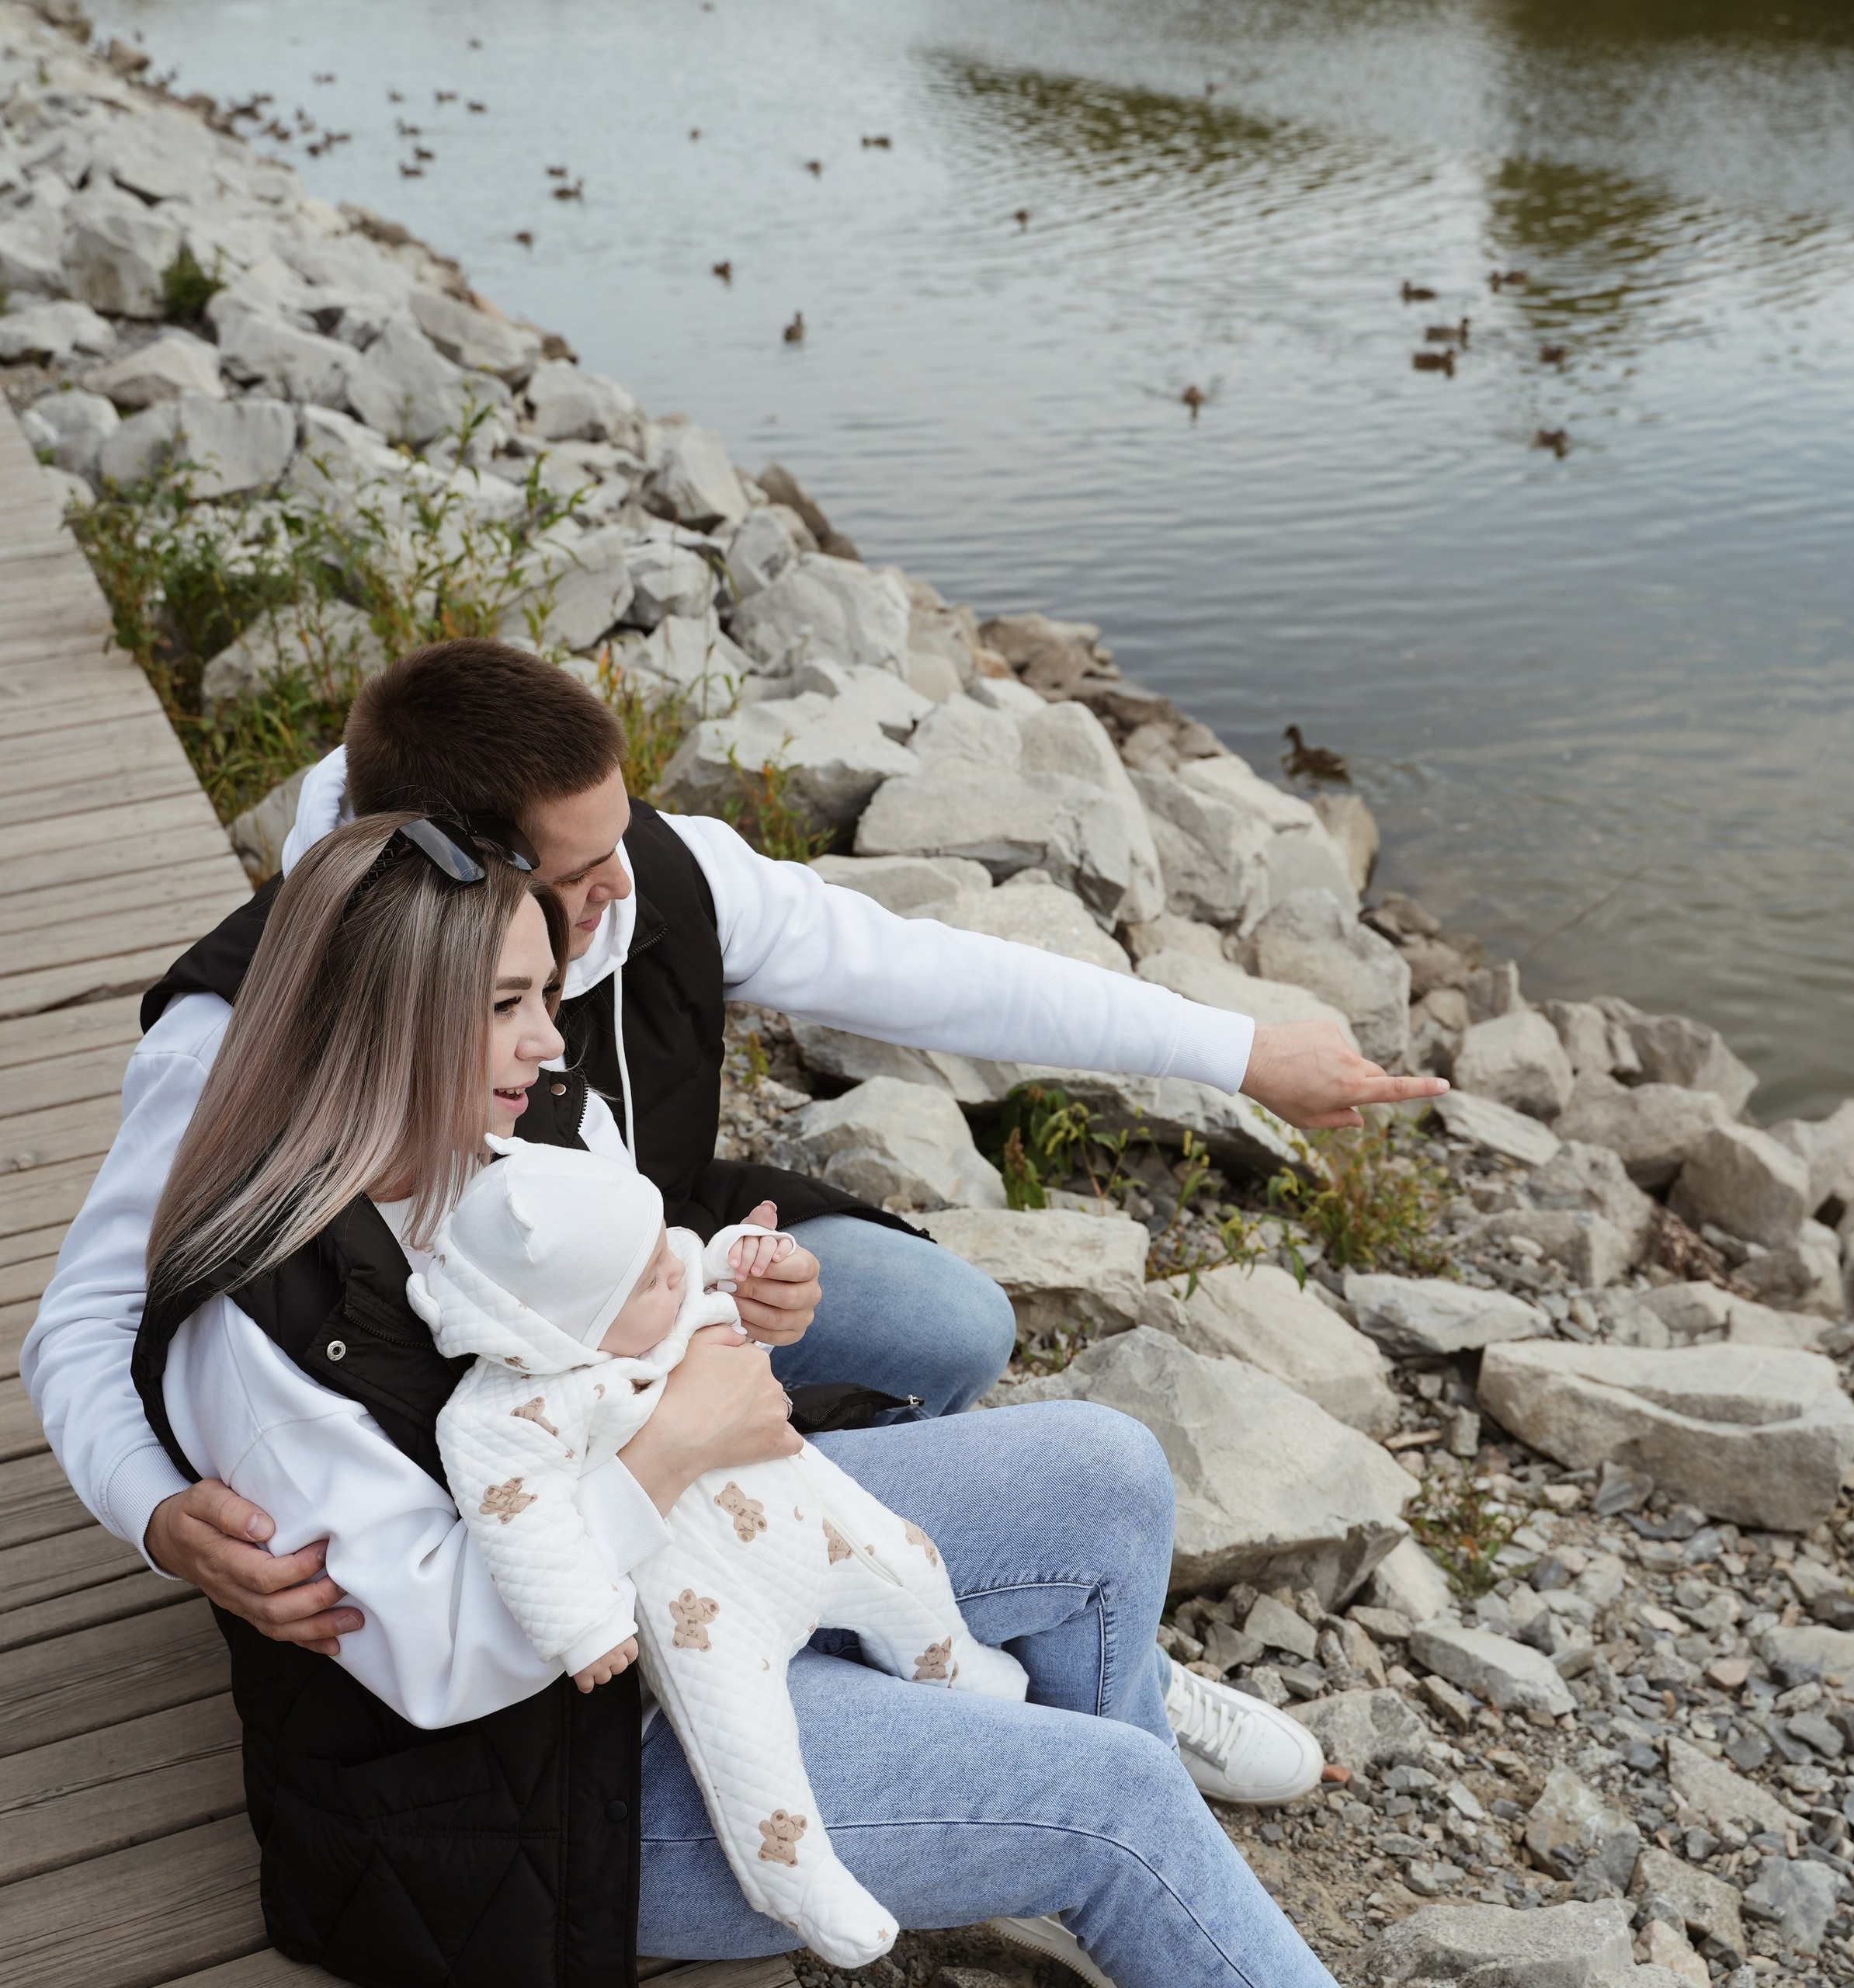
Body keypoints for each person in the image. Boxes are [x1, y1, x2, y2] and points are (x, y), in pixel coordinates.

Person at [24, 636, 1445, 1806]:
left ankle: (1013, 1615)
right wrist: (159, 1515)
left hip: (658, 1249)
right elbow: (89, 1322)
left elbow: (928, 971)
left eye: (620, 835)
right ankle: (896, 1624)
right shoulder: (240, 1029)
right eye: (580, 881)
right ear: (461, 879)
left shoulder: (645, 867)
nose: (624, 882)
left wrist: (1236, 1050)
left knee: (954, 1323)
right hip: (478, 1396)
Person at [133, 812, 1338, 1986]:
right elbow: (442, 1666)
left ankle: (1064, 1851)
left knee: (1108, 1474)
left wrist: (733, 1299)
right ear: (372, 1024)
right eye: (504, 1008)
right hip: (547, 1790)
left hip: (714, 1563)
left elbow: (641, 1295)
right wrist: (673, 1446)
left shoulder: (517, 1126)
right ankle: (1093, 1842)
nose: (547, 1045)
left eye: (545, 998)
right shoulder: (264, 1326)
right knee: (1108, 1800)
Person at [414, 1138, 1026, 1969]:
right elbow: (526, 1532)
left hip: (801, 1509)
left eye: (664, 1248)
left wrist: (750, 1252)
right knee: (744, 1737)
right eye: (651, 1278)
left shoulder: (659, 1284)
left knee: (908, 1565)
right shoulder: (505, 1414)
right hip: (695, 1606)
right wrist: (586, 1627)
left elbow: (699, 1260)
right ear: (564, 1323)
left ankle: (958, 1670)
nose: (674, 1269)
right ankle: (799, 1879)